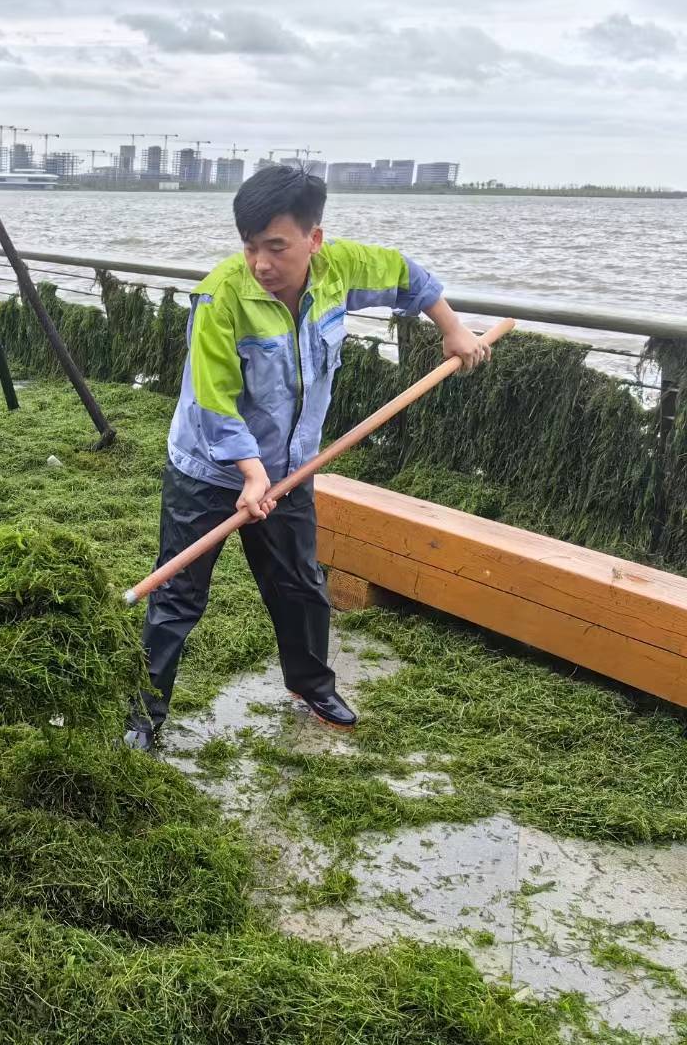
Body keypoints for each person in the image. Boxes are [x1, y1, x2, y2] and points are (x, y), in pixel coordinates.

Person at [127, 166, 488, 750]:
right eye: (250, 247)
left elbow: (407, 276)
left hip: (292, 469)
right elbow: (213, 400)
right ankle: (145, 714)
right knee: (177, 596)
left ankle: (311, 684)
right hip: (209, 470)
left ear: (313, 240)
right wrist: (248, 474)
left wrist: (452, 328)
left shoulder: (340, 268)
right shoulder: (220, 299)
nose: (261, 263)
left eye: (277, 247)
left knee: (300, 585)